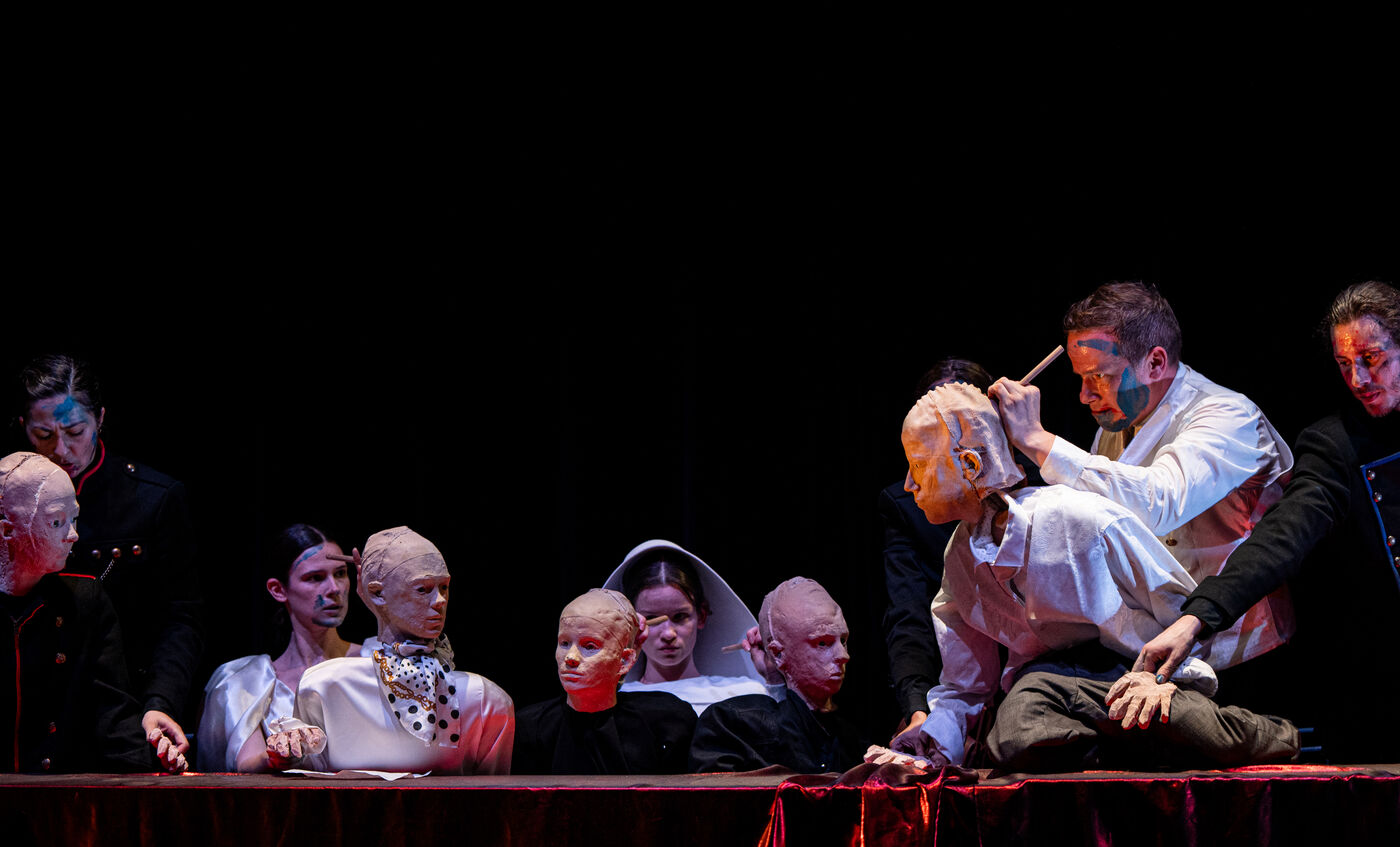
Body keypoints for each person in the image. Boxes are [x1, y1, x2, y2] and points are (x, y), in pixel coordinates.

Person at [889, 382, 1298, 773]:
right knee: (1019, 728)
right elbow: (965, 685)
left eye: (919, 465)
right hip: (1048, 687)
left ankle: (1266, 734)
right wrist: (931, 739)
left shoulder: (1081, 519)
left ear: (971, 465)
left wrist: (1161, 680)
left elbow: (1180, 613)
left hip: (1134, 673)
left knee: (1192, 726)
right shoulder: (961, 559)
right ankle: (1135, 751)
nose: (909, 484)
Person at [1132, 281, 1400, 763]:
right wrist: (1196, 618)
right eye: (1344, 364)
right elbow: (1279, 538)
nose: (1358, 378)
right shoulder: (1337, 445)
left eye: (1372, 358)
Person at [988, 283, 1296, 692]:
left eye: (1100, 376)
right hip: (1163, 646)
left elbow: (1158, 502)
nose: (1084, 395)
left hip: (1239, 648)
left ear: (1155, 362)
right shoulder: (1116, 427)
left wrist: (1036, 439)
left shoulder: (1227, 415)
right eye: (1082, 378)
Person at [14, 354, 203, 762]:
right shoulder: (9, 500)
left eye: (74, 431)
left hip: (124, 715)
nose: (60, 450)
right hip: (26, 716)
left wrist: (161, 700)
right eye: (43, 434)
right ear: (23, 426)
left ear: (99, 419)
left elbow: (182, 618)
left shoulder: (153, 498)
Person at [265, 526, 513, 774]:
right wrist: (286, 753)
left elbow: (494, 791)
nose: (440, 601)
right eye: (423, 589)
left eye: (444, 587)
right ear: (375, 593)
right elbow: (306, 775)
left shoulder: (485, 699)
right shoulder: (324, 685)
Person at [0, 451, 185, 773]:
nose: (73, 534)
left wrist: (155, 761)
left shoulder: (83, 599)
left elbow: (113, 713)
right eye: (57, 521)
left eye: (74, 519)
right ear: (6, 530)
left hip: (59, 791)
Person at [196, 524, 362, 771]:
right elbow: (246, 763)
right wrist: (278, 753)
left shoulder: (375, 663)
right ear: (278, 590)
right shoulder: (247, 682)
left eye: (340, 574)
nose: (334, 589)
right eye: (315, 578)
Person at [690, 577, 872, 774]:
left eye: (843, 640)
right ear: (777, 653)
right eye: (822, 643)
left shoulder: (854, 738)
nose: (843, 655)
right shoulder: (732, 725)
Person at [513, 588, 696, 774]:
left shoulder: (667, 722)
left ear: (625, 660)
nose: (570, 657)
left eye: (589, 646)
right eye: (564, 643)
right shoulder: (531, 727)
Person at [600, 539, 770, 715]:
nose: (668, 633)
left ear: (701, 615)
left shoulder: (743, 694)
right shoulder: (615, 702)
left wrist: (772, 679)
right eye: (652, 619)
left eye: (680, 617)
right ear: (633, 624)